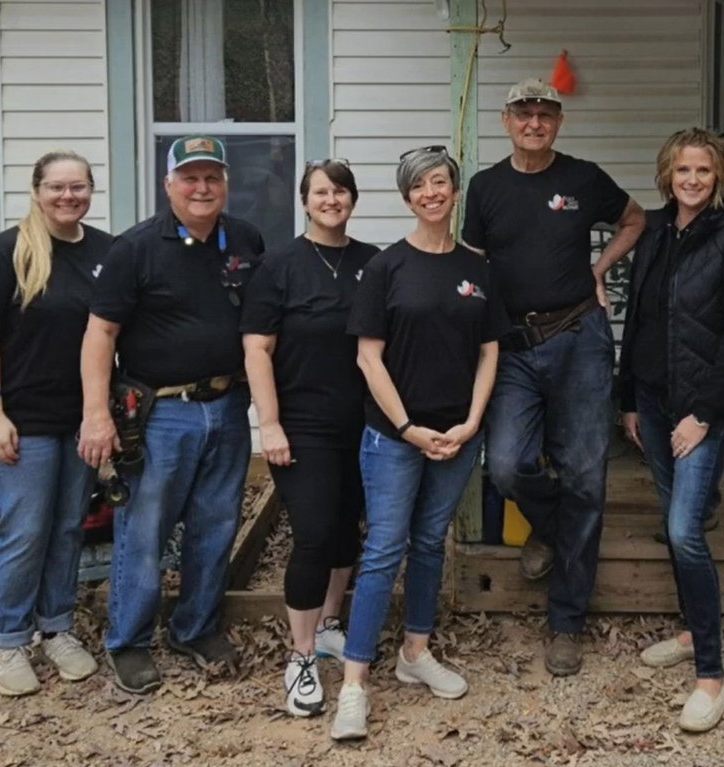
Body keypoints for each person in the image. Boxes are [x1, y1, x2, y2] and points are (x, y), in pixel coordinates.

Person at [462, 78, 645, 676]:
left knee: (586, 474)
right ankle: (554, 523)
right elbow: (474, 262)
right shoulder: (486, 187)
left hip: (579, 339)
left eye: (544, 114)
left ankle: (566, 623)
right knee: (508, 463)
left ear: (558, 122)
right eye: (523, 113)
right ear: (506, 120)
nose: (534, 122)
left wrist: (600, 267)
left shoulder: (583, 178)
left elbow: (635, 219)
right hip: (513, 347)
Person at [329, 146, 509, 741]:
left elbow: (490, 351)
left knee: (431, 541)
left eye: (442, 182)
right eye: (420, 186)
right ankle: (354, 684)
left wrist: (471, 422)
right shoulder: (387, 267)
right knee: (383, 549)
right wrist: (407, 427)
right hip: (393, 438)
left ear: (454, 192)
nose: (432, 193)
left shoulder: (478, 267)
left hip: (457, 435)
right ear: (407, 198)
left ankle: (415, 651)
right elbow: (367, 356)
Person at [78, 135, 265, 694]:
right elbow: (99, 334)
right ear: (168, 185)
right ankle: (128, 641)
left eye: (212, 177)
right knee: (146, 528)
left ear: (225, 183)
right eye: (190, 177)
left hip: (229, 407)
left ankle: (195, 628)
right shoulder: (134, 248)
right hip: (161, 413)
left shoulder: (247, 240)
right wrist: (95, 413)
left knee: (216, 524)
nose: (202, 187)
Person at [616, 128, 724, 732]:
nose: (693, 180)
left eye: (704, 171)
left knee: (683, 531)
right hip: (650, 401)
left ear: (718, 177)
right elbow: (640, 319)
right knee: (674, 516)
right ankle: (686, 630)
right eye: (683, 171)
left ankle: (711, 676)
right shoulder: (652, 232)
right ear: (667, 175)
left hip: (702, 410)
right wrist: (627, 398)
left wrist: (702, 414)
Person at [0, 150, 112, 697]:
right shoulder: (6, 253)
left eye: (78, 187)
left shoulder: (105, 252)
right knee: (26, 531)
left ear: (91, 190)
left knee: (69, 527)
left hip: (78, 420)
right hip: (18, 421)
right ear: (36, 190)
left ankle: (57, 627)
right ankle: (8, 639)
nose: (68, 196)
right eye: (57, 187)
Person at [241, 159, 379, 718]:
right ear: (304, 201)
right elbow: (257, 349)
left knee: (348, 533)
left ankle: (327, 625)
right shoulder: (278, 267)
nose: (332, 199)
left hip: (366, 424)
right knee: (316, 536)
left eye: (340, 191)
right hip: (302, 425)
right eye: (321, 191)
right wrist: (268, 423)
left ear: (352, 199)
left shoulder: (374, 262)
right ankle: (299, 658)